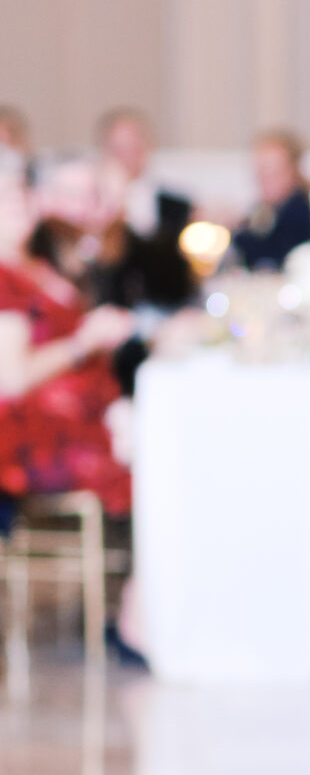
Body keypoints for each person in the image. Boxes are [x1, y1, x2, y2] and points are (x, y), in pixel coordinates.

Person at [0, 171, 134, 522]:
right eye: (4, 198)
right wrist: (83, 343)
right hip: (38, 434)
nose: (17, 206)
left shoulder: (40, 264)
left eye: (20, 194)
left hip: (90, 411)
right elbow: (12, 379)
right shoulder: (4, 280)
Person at [91, 108, 194, 313]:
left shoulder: (179, 207)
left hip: (171, 311)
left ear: (147, 147)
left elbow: (183, 276)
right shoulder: (91, 210)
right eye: (118, 149)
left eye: (133, 147)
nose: (126, 157)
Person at [231, 130, 310, 273]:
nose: (264, 180)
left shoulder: (302, 212)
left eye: (273, 172)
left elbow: (271, 255)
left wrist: (236, 231)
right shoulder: (266, 210)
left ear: (293, 171)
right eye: (260, 172)